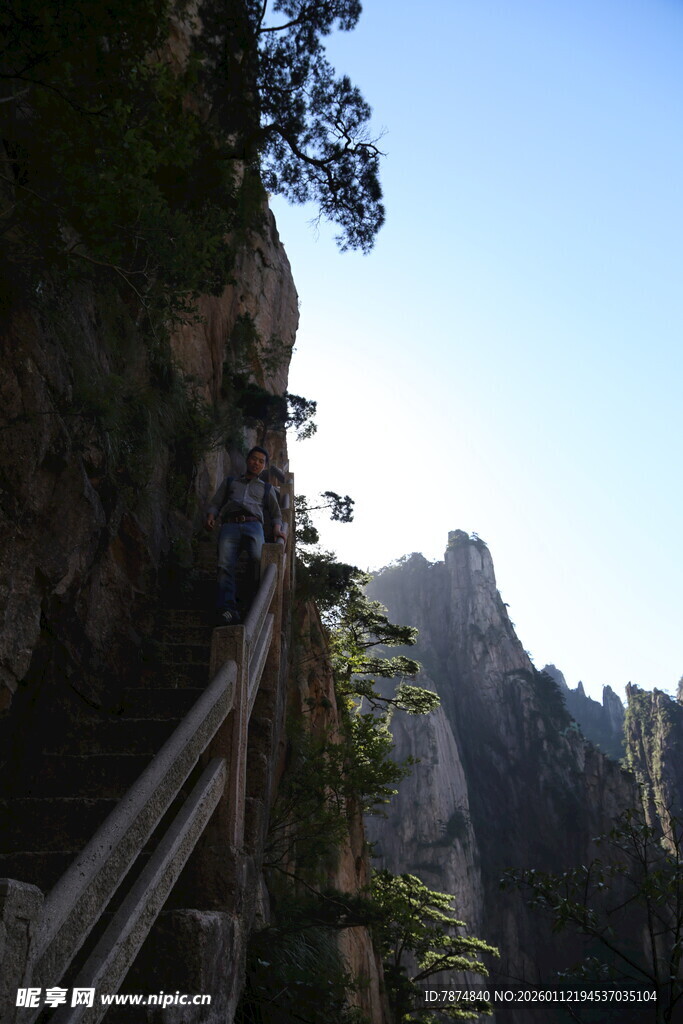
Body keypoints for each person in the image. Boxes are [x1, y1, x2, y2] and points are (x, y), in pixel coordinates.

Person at [205, 447, 286, 625]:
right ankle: (228, 608)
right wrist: (211, 516)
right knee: (224, 565)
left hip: (254, 525)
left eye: (261, 461)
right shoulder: (231, 482)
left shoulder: (267, 488)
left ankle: (249, 601)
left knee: (259, 560)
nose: (256, 463)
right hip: (230, 524)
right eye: (254, 459)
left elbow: (276, 513)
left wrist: (277, 529)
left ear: (264, 466)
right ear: (247, 460)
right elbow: (216, 502)